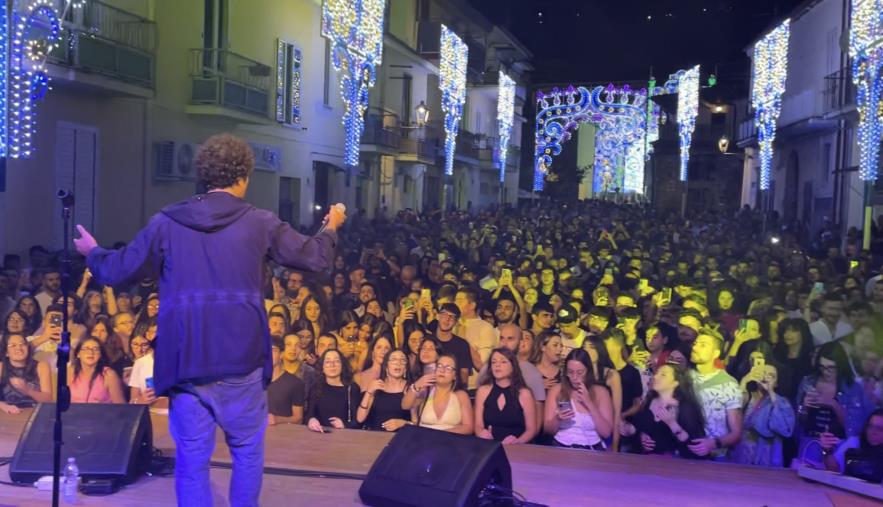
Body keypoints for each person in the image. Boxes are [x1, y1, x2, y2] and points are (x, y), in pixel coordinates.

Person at [75, 133, 344, 507]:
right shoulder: (259, 223)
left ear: (202, 176)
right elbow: (315, 258)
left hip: (186, 364)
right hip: (241, 364)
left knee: (191, 463)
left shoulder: (166, 223)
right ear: (243, 176)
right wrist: (331, 226)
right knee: (247, 455)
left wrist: (93, 252)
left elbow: (120, 269)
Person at [627, 362, 706, 459]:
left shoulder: (685, 407)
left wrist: (672, 423)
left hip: (675, 465)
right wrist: (641, 436)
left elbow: (693, 444)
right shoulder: (649, 400)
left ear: (675, 383)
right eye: (656, 373)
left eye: (663, 375)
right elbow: (639, 428)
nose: (655, 377)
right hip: (648, 462)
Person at [686, 331, 743, 459]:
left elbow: (736, 433)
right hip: (683, 453)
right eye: (695, 344)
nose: (695, 347)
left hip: (716, 458)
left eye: (703, 345)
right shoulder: (683, 377)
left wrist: (713, 443)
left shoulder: (728, 384)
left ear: (715, 353)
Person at [543, 348, 614, 450]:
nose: (574, 377)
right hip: (561, 445)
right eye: (570, 372)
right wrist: (557, 419)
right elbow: (548, 430)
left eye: (580, 372)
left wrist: (589, 403)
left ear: (588, 371)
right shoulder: (556, 390)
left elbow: (606, 432)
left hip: (592, 447)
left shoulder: (601, 392)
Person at [732, 364, 795, 467]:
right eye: (763, 373)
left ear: (776, 383)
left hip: (767, 458)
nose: (766, 377)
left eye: (771, 375)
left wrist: (771, 392)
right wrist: (743, 382)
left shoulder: (782, 402)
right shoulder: (747, 397)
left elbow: (786, 429)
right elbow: (732, 409)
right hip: (743, 456)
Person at [474, 347, 537, 444]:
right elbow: (478, 424)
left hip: (516, 448)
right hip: (488, 446)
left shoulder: (524, 394)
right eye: (493, 362)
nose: (497, 365)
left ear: (513, 366)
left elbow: (531, 429)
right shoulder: (483, 391)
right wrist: (481, 433)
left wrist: (518, 441)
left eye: (503, 362)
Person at [404, 354, 474, 434]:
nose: (442, 370)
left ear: (455, 376)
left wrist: (439, 435)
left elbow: (468, 427)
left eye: (448, 368)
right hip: (425, 441)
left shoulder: (461, 395)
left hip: (451, 442)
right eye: (439, 366)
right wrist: (416, 385)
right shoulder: (425, 392)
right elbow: (405, 405)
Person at [356, 349, 412, 432]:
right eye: (393, 359)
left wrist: (403, 423)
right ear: (386, 366)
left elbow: (418, 423)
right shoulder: (377, 386)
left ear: (406, 368)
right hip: (375, 438)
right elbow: (360, 418)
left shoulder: (411, 388)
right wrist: (369, 392)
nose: (398, 363)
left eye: (402, 360)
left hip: (400, 440)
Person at [306, 349, 360, 431]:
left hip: (345, 437)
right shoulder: (315, 388)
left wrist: (345, 425)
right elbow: (309, 414)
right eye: (328, 362)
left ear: (342, 365)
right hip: (320, 436)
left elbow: (358, 420)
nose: (332, 365)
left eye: (336, 361)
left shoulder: (352, 388)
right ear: (322, 367)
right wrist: (311, 420)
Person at [820, 409, 883, 473]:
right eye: (870, 426)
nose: (873, 432)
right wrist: (827, 451)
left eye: (880, 429)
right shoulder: (854, 442)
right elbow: (834, 470)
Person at [0, 333, 53, 410]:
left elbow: (48, 399)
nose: (19, 348)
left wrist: (28, 390)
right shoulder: (1, 367)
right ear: (6, 352)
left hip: (34, 413)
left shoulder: (41, 366)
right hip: (7, 414)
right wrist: (3, 406)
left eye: (22, 344)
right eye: (13, 345)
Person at [68, 338, 125, 404]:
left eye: (95, 349)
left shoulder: (109, 375)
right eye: (86, 349)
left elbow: (121, 407)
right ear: (78, 354)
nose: (91, 352)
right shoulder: (70, 372)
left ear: (100, 355)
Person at [267, 337, 305, 426]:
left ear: (281, 354)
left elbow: (298, 418)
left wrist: (277, 419)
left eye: (273, 350)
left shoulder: (295, 383)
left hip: (284, 436)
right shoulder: (253, 382)